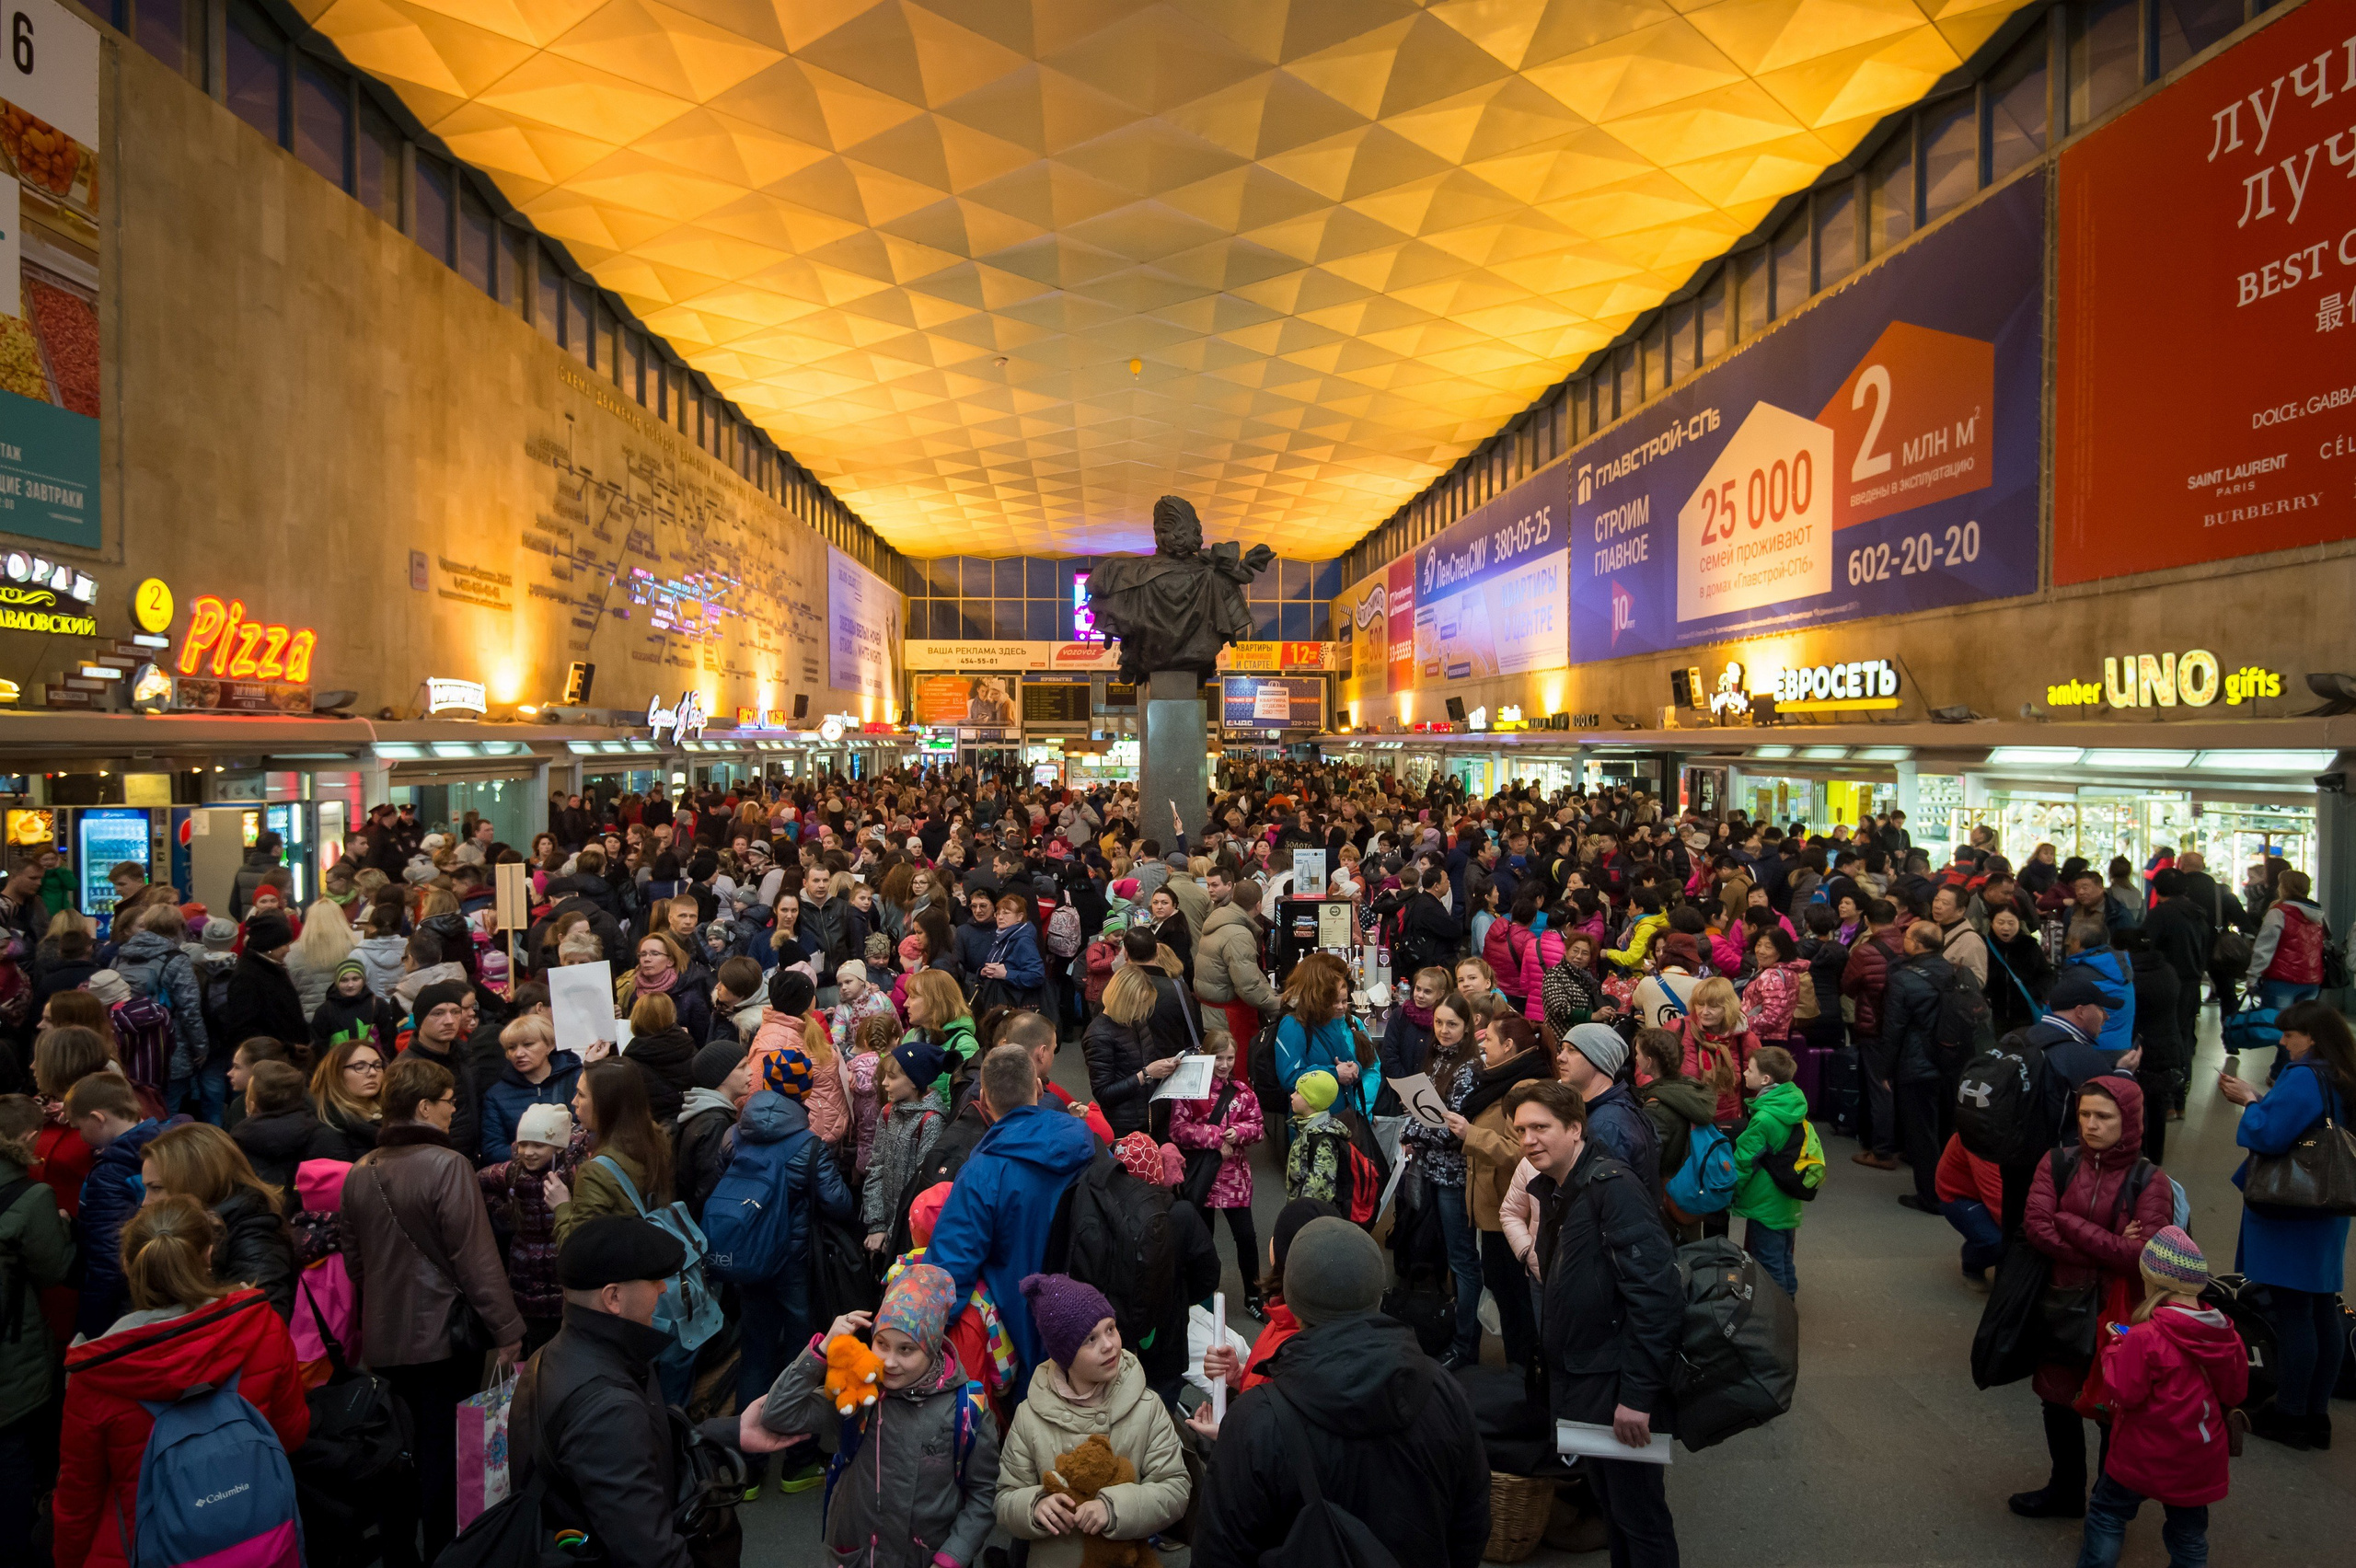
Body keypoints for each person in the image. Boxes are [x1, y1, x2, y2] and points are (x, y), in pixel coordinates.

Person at [1189, 1216, 1491, 1568]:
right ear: (1378, 1294)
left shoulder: (1254, 1423)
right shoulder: (1445, 1392)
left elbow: (1219, 1552)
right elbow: (1471, 1522)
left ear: (1292, 1305)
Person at [52, 1195, 310, 1568]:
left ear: (127, 1265)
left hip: (146, 1548)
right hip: (260, 1536)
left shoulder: (96, 1375)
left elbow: (80, 1499)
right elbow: (291, 1433)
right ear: (208, 1255)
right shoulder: (260, 1325)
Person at [341, 1055, 524, 1559]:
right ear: (423, 1107)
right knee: (444, 1454)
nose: (454, 1110)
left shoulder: (359, 1172)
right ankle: (446, 1553)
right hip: (446, 1339)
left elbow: (355, 1264)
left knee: (398, 1453)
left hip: (384, 1340)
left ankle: (401, 1553)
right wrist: (508, 1329)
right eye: (447, 1101)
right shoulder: (449, 1166)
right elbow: (476, 1260)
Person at [1518, 1078, 1681, 1568]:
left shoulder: (1613, 1189)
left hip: (1617, 1388)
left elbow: (1656, 1298)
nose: (1529, 1140)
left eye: (1541, 1127)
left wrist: (1638, 1396)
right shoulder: (1560, 1188)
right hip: (1588, 1379)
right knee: (1615, 1510)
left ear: (1575, 1128)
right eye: (1521, 1130)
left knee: (1640, 1517)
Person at [743, 1263, 1001, 1568]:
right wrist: (823, 1349)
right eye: (882, 1344)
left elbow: (984, 1495)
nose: (889, 1362)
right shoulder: (859, 1393)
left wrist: (951, 1557)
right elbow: (778, 1414)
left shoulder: (966, 1408)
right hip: (856, 1555)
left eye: (906, 1350)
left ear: (931, 1347)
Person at [2010, 1075, 2171, 1520]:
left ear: (2129, 1120)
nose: (2091, 1125)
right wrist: (2109, 1245)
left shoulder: (2150, 1180)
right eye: (2084, 1114)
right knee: (2056, 1397)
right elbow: (2037, 1228)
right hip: (2061, 1302)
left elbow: (2142, 1254)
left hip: (2120, 1312)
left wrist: (2069, 1222)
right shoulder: (2057, 1163)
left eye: (2103, 1116)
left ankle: (2107, 1505)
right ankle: (2065, 1490)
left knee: (2112, 1407)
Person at [507, 1217, 701, 1568]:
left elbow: (644, 1446)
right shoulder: (607, 1408)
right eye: (653, 1280)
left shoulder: (554, 1355)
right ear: (613, 1297)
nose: (662, 1289)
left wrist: (732, 1432)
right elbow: (650, 1556)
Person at [2216, 998, 2352, 1448]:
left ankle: (2291, 1413)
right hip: (2328, 1206)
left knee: (2294, 1313)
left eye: (2290, 1034)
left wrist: (2249, 1101)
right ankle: (2317, 1414)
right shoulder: (2341, 1073)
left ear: (2311, 1037)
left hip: (2292, 1209)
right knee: (2323, 1309)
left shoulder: (2304, 1075)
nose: (2283, 1041)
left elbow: (2270, 1134)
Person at [2073, 1228, 2246, 1568]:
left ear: (2153, 1283)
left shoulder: (2145, 1337)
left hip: (2143, 1454)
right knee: (2189, 1539)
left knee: (2108, 1514)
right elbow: (2235, 1392)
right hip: (2198, 1459)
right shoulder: (2225, 1335)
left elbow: (2125, 1392)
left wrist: (2115, 1348)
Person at [992, 1273, 1190, 1568]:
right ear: (1065, 1355)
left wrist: (1114, 1509)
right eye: (1090, 1339)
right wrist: (1034, 1506)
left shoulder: (1147, 1407)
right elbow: (1005, 1498)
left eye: (1110, 1328)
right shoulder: (1029, 1417)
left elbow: (1175, 1489)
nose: (1109, 1344)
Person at [924, 1044, 1095, 1381]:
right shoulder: (1085, 1141)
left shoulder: (981, 1174)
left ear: (983, 1099)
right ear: (1039, 1088)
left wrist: (918, 1342)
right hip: (1091, 1319)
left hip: (1025, 1335)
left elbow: (948, 1273)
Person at [1436, 1014, 1554, 1369]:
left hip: (1510, 1213)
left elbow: (1523, 1152)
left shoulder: (1523, 1087)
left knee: (1516, 1301)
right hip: (1495, 1210)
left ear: (1509, 1046)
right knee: (1507, 1296)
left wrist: (1470, 1134)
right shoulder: (1502, 1079)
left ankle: (1524, 1375)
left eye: (1488, 1040)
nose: (1482, 1046)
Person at [0, 1096, 73, 1562]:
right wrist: (65, 1228)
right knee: (12, 1461)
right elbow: (54, 1270)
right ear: (29, 1139)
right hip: (13, 1353)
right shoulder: (32, 1198)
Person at [139, 1122, 296, 1320]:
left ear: (195, 1183)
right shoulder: (194, 1228)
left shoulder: (254, 1238)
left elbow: (263, 1323)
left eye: (156, 1188)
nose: (145, 1202)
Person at [1165, 1029, 1264, 1313]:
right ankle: (1201, 1297)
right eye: (1218, 1058)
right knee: (1202, 1239)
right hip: (1202, 1179)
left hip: (1234, 1178)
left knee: (1246, 1237)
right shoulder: (1188, 1090)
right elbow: (1177, 1129)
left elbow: (1258, 1128)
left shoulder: (1244, 1093)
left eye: (1230, 1058)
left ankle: (1254, 1295)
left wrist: (1240, 1132)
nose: (1224, 1065)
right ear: (1206, 1057)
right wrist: (1217, 1138)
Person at [64, 1072, 163, 1341]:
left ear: (98, 1119)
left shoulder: (109, 1175)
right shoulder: (164, 1144)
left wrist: (89, 1329)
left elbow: (108, 1263)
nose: (80, 1136)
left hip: (119, 1307)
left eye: (78, 1127)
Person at [478, 1101, 572, 1355]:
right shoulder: (511, 1174)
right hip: (526, 1281)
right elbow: (477, 1182)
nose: (528, 1152)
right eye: (523, 1144)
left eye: (538, 1145)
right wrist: (502, 1209)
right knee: (535, 1350)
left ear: (558, 1146)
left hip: (563, 1281)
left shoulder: (573, 1175)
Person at [1880, 919, 1956, 1213]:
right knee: (1946, 1129)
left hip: (1917, 1063)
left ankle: (1930, 1196)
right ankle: (1952, 1188)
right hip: (1952, 1061)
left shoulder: (1904, 978)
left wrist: (1886, 1070)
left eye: (1908, 936)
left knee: (1921, 1134)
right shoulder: (1956, 972)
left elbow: (1894, 1028)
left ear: (1917, 944)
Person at [1728, 1047, 1807, 1296]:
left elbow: (1744, 1161)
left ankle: (1777, 1311)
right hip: (1786, 1200)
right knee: (1784, 1258)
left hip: (1765, 1203)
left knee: (1768, 1264)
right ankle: (1789, 1301)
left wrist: (1731, 1193)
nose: (1744, 1073)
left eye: (1749, 1069)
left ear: (1765, 1079)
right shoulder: (1791, 1105)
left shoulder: (1765, 1118)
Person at [1272, 951, 1381, 1120]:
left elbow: (1351, 1063)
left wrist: (1355, 1068)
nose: (1340, 1007)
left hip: (1344, 1117)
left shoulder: (1335, 1021)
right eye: (1334, 1001)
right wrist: (1334, 1073)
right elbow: (1290, 1078)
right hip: (1311, 1124)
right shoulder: (1293, 1024)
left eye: (1343, 1001)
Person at [1081, 959, 1184, 1140]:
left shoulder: (1135, 1019)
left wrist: (1163, 1067)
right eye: (1138, 1003)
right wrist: (1146, 1074)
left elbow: (1144, 1060)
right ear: (1123, 1000)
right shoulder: (1098, 1035)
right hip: (1124, 1126)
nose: (1142, 1009)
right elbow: (1104, 1093)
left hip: (1150, 1116)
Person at [479, 1013, 583, 1165]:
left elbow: (590, 1130)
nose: (518, 1054)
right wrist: (531, 1153)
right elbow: (492, 1149)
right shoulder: (496, 1095)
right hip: (523, 1173)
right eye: (511, 1048)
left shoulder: (577, 1080)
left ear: (549, 1045)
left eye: (528, 1044)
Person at [2243, 867, 2327, 1011]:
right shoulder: (2318, 915)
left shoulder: (2278, 913)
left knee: (2276, 1021)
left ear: (2284, 887)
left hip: (2281, 980)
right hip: (2312, 980)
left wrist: (2252, 977)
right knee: (2302, 1022)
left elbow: (2264, 948)